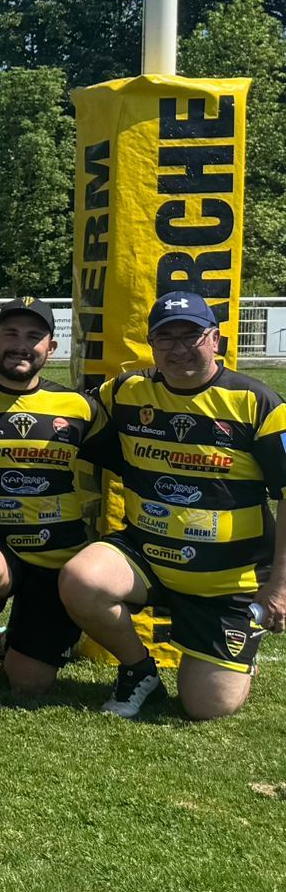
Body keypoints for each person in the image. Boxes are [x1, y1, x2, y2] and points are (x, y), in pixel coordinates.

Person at [60, 292, 286, 721]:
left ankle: (238, 648)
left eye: (191, 336)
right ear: (151, 344)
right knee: (80, 580)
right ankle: (139, 671)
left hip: (225, 581)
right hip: (148, 554)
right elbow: (67, 409)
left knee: (206, 706)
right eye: (166, 338)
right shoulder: (126, 391)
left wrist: (279, 586)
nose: (178, 349)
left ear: (215, 339)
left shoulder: (257, 403)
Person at [0, 297, 106, 719]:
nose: (20, 345)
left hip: (57, 557)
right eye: (10, 334)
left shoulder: (81, 408)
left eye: (33, 336)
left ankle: (6, 641)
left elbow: (134, 461)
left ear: (51, 347)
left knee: (30, 683)